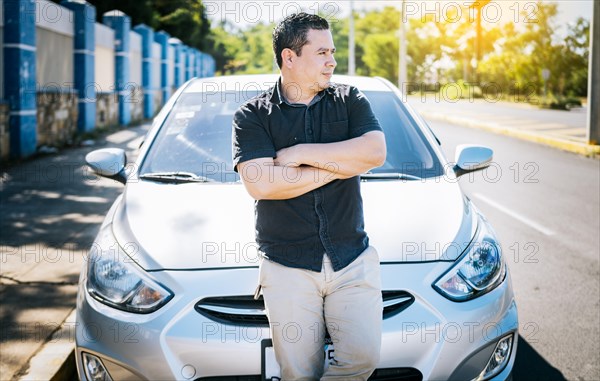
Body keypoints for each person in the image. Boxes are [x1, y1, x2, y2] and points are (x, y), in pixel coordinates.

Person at [232, 12, 386, 381]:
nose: (332, 61)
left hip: (352, 258)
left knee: (362, 359)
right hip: (287, 266)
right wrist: (341, 164)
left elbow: (375, 153)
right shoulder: (252, 115)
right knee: (299, 374)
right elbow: (261, 184)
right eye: (321, 53)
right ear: (290, 57)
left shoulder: (349, 100)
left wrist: (301, 155)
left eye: (331, 52)